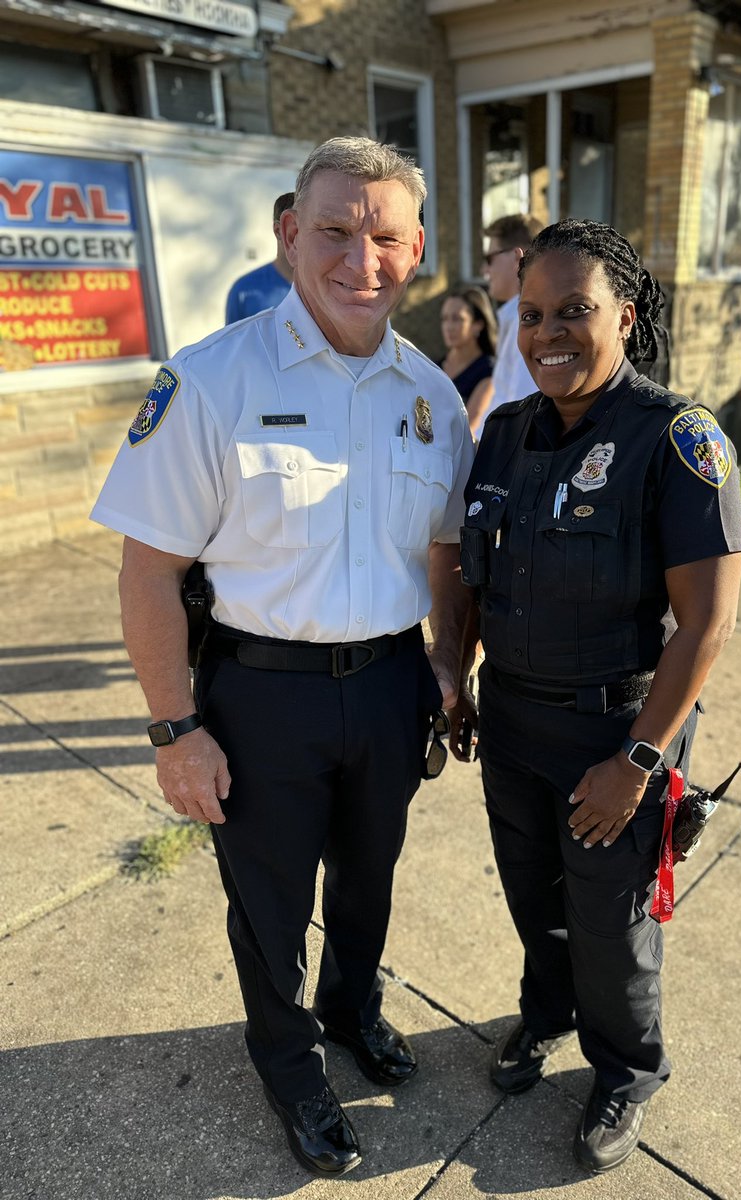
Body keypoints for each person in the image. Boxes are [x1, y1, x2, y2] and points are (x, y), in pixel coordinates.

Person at [91, 137, 474, 1179]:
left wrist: (449, 663)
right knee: (270, 901)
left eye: (384, 235)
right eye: (337, 231)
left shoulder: (433, 399)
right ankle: (289, 1060)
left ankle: (354, 1011)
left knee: (369, 881)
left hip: (391, 686)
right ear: (290, 235)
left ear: (417, 249)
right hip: (261, 693)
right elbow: (148, 573)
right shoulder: (212, 381)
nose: (362, 258)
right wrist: (176, 727)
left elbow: (445, 550)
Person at [449, 219, 741, 1176]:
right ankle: (546, 1013)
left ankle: (627, 1067)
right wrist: (454, 675)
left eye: (573, 311)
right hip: (514, 719)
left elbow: (705, 626)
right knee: (532, 895)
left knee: (614, 922)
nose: (548, 334)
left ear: (624, 313)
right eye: (532, 315)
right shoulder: (502, 432)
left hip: (620, 730)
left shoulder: (676, 437)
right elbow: (468, 574)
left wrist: (640, 762)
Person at [473, 213, 543, 438]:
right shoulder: (515, 318)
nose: (485, 270)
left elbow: (520, 410)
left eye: (489, 258)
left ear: (517, 258)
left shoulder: (527, 322)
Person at [224, 192, 294, 323]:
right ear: (278, 231)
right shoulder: (243, 291)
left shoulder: (325, 288)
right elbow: (235, 342)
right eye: (294, 228)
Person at [438, 286, 497, 436]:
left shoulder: (488, 370)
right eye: (445, 319)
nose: (449, 327)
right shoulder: (433, 367)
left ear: (478, 324)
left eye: (457, 319)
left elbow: (469, 427)